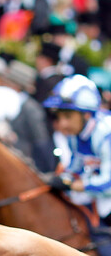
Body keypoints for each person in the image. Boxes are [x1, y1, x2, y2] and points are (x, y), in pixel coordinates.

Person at [43, 75, 111, 225]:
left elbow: (109, 184)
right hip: (98, 205)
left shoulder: (107, 134)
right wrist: (63, 178)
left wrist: (73, 185)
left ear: (86, 114)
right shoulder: (74, 134)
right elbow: (76, 165)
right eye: (59, 117)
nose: (62, 124)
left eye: (68, 116)